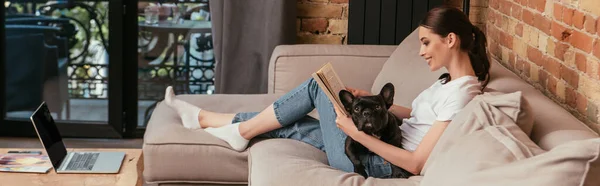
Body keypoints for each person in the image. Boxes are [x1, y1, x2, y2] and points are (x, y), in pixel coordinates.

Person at [163, 6, 490, 178]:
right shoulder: (449, 83)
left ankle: (240, 129)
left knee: (316, 86)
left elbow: (417, 164)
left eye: (426, 43)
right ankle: (209, 119)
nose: (421, 52)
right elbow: (419, 118)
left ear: (451, 39)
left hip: (375, 162)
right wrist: (369, 100)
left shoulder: (462, 94)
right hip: (379, 144)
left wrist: (357, 135)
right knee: (292, 124)